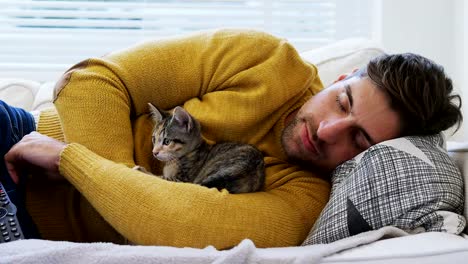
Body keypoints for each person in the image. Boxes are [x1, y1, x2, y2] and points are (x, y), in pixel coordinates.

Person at [2, 29, 463, 249]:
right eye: (343, 102)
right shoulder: (266, 61)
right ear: (340, 78)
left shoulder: (306, 200)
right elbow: (93, 79)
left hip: (28, 215)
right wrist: (113, 178)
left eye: (358, 140)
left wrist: (73, 164)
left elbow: (176, 225)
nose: (326, 132)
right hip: (18, 132)